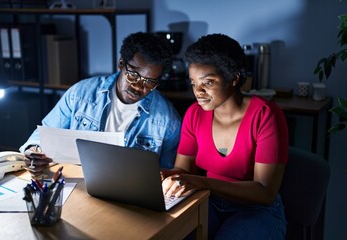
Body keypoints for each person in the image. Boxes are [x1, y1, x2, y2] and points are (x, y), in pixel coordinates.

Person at [161, 33, 288, 240]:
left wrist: (204, 183)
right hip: (208, 201)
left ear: (234, 78)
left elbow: (265, 192)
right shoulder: (195, 113)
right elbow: (184, 170)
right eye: (193, 83)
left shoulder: (266, 115)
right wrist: (163, 174)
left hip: (255, 210)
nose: (198, 92)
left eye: (208, 83)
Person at [20, 32, 181, 176]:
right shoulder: (80, 94)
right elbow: (43, 135)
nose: (138, 87)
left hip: (128, 198)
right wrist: (33, 151)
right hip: (77, 185)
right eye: (133, 75)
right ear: (120, 64)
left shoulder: (168, 121)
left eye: (149, 82)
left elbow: (167, 172)